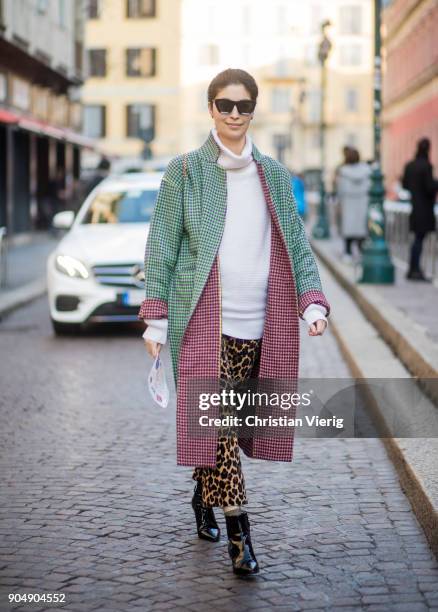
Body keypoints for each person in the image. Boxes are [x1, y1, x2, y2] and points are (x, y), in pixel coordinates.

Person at [138, 68, 330, 576]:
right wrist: (156, 320)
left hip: (258, 327)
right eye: (225, 105)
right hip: (201, 323)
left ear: (254, 110)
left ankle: (204, 496)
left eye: (243, 106)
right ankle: (240, 535)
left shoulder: (274, 175)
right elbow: (161, 248)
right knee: (220, 426)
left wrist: (311, 302)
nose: (234, 114)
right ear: (211, 109)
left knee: (227, 425)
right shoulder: (185, 172)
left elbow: (296, 245)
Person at [402, 137, 438, 281]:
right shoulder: (426, 166)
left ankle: (413, 268)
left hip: (414, 206)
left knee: (416, 239)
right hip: (424, 208)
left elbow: (405, 185)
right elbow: (430, 187)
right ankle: (415, 269)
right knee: (419, 240)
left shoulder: (410, 165)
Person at [336, 147, 371, 263]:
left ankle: (348, 253)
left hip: (348, 202)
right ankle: (361, 253)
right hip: (362, 202)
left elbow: (340, 190)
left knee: (348, 228)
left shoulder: (343, 171)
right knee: (361, 228)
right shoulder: (366, 170)